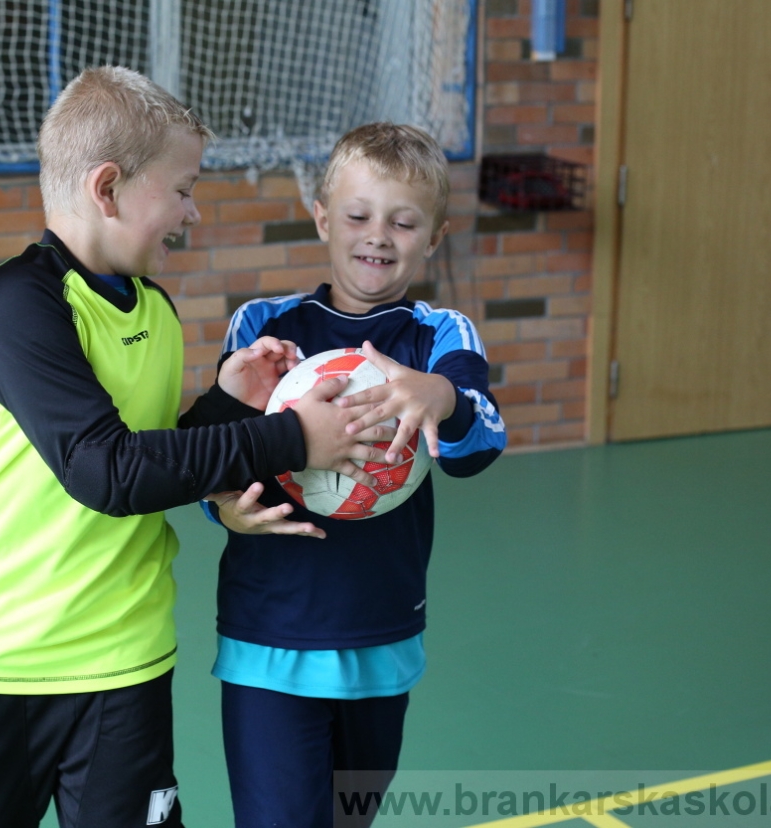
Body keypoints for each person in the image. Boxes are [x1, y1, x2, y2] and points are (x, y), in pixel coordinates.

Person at [0, 67, 390, 828]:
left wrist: (230, 399)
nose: (193, 212)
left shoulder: (154, 309)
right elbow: (104, 472)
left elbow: (156, 457)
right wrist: (293, 437)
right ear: (108, 188)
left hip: (127, 660)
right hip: (2, 668)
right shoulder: (15, 308)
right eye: (183, 188)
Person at [203, 122, 508, 828]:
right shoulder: (263, 326)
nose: (379, 236)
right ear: (321, 219)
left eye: (404, 222)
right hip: (269, 635)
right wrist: (224, 511)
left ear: (434, 236)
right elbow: (218, 455)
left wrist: (443, 398)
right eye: (358, 215)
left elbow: (478, 444)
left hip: (381, 633)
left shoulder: (440, 337)